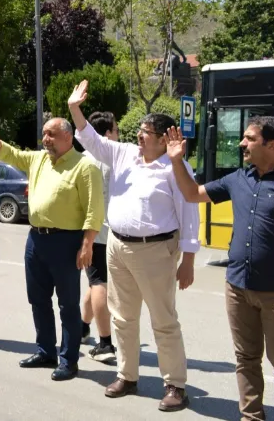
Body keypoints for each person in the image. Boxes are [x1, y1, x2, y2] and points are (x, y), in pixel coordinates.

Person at [68, 80, 198, 412]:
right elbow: (93, 141)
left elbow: (190, 211)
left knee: (163, 320)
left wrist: (189, 260)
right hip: (117, 247)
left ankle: (174, 385)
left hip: (156, 251)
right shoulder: (124, 153)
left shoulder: (176, 168)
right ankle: (127, 376)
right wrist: (75, 108)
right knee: (123, 318)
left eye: (144, 132)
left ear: (165, 138)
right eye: (139, 130)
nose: (137, 136)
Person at [0, 104, 104, 382]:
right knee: (38, 299)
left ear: (68, 137)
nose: (45, 139)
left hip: (67, 242)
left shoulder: (85, 167)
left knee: (68, 304)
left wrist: (87, 244)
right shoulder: (38, 160)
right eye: (44, 134)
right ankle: (45, 350)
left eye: (51, 134)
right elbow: (8, 153)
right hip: (36, 240)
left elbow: (95, 209)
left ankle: (69, 360)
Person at [166, 116, 274, 421]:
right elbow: (191, 194)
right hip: (237, 286)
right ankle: (251, 416)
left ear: (272, 144)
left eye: (250, 138)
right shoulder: (237, 179)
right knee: (246, 357)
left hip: (273, 292)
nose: (242, 143)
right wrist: (177, 161)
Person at [80, 111, 118, 364]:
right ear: (106, 134)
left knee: (95, 282)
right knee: (99, 285)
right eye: (115, 129)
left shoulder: (82, 159)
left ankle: (82, 328)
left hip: (87, 229)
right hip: (106, 231)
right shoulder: (114, 156)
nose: (118, 134)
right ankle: (105, 343)